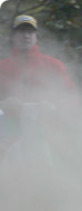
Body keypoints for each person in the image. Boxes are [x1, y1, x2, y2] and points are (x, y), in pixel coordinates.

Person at [0, 14, 77, 163]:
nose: (26, 36)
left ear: (37, 37)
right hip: (9, 133)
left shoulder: (54, 66)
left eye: (30, 32)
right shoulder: (2, 67)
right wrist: (4, 104)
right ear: (13, 37)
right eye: (21, 32)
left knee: (53, 166)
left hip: (47, 131)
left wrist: (54, 107)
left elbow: (70, 98)